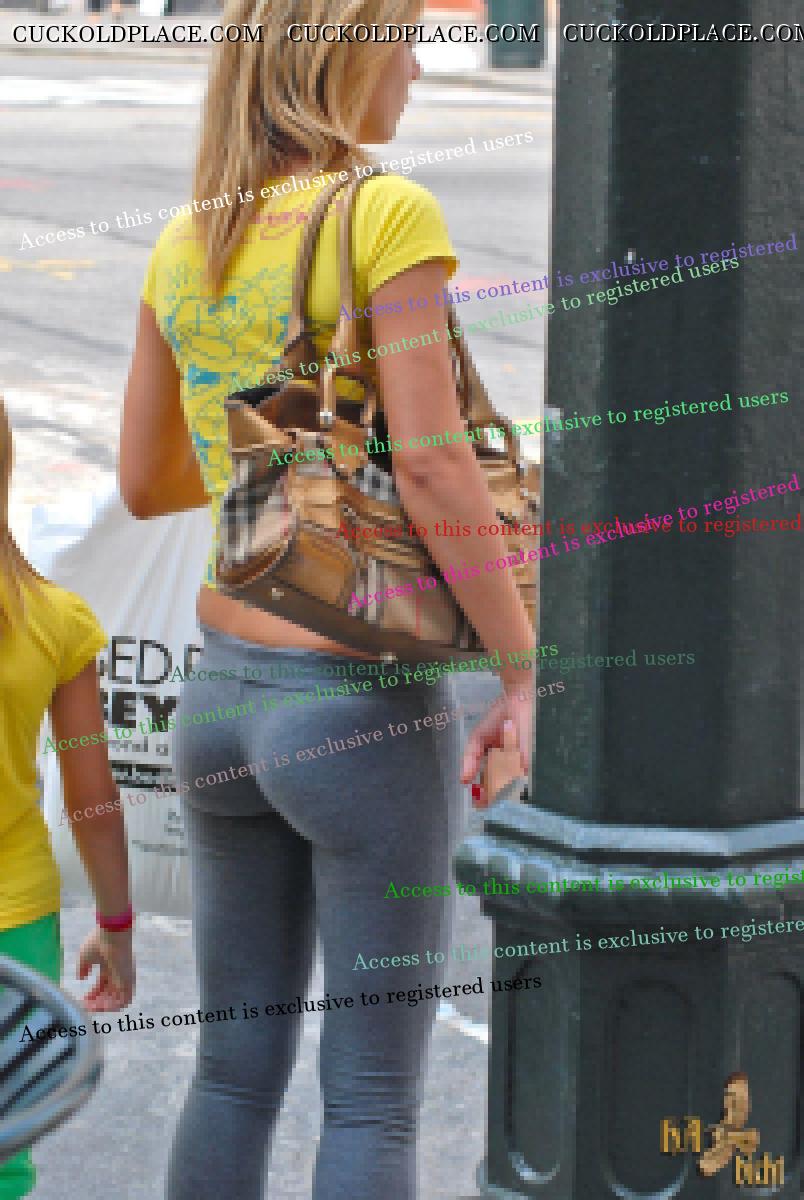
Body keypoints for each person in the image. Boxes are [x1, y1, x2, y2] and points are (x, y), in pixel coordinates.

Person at [119, 2, 534, 1195]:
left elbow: (148, 481)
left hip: (219, 702)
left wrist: (266, 460)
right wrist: (519, 672)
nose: (416, 66)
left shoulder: (185, 237)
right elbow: (438, 465)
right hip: (354, 707)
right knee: (370, 1100)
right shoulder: (384, 213)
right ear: (337, 53)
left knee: (231, 1073)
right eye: (401, 37)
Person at [0, 397, 135, 1200]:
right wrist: (116, 927)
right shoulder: (55, 620)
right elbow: (92, 798)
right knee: (5, 1144)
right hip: (14, 920)